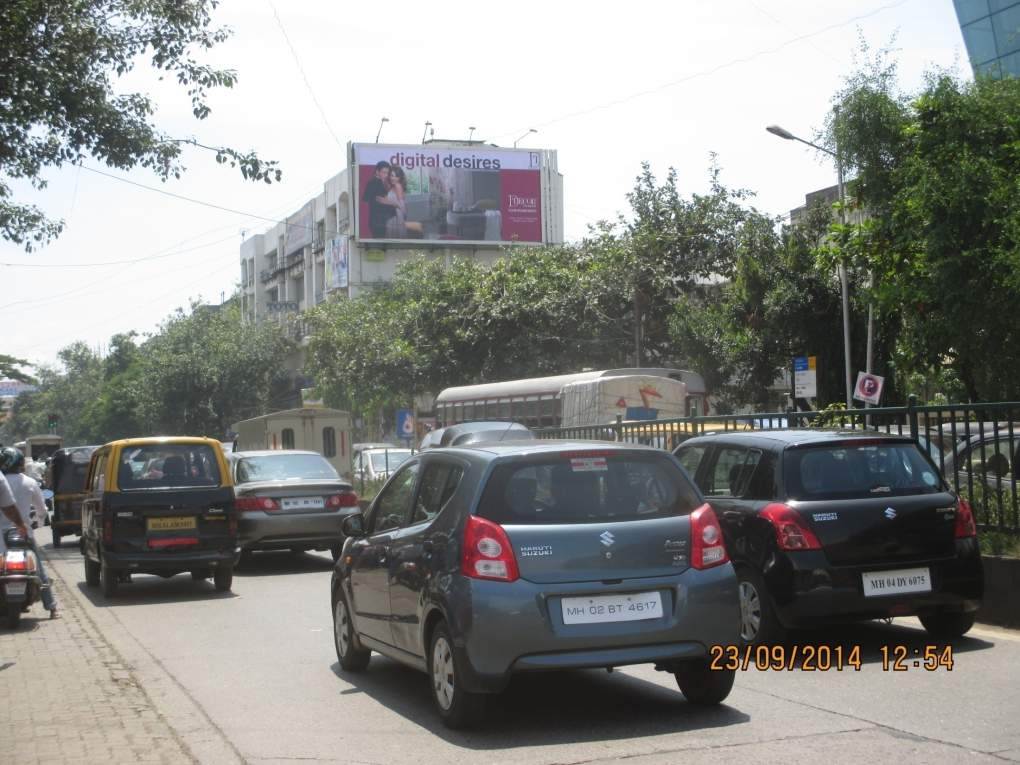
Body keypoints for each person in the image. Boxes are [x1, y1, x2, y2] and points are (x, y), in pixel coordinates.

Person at [0, 447, 58, 618]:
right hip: (23, 533)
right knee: (39, 569)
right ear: (20, 463)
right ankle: (52, 607)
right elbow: (42, 510)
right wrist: (37, 523)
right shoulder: (29, 483)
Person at [362, 160, 395, 238]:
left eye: (387, 173)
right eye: (384, 172)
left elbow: (366, 198)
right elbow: (378, 201)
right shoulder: (376, 183)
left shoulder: (378, 182)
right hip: (379, 222)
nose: (386, 175)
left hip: (377, 221)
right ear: (377, 171)